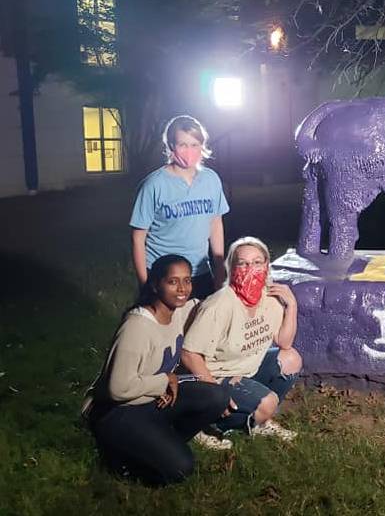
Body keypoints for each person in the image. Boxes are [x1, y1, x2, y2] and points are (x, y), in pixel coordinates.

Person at [84, 254, 231, 485]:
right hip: (118, 410)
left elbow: (214, 306)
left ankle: (161, 441)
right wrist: (164, 381)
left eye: (187, 280)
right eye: (172, 281)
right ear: (155, 284)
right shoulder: (138, 326)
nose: (182, 288)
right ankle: (121, 457)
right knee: (181, 468)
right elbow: (118, 388)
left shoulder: (181, 310)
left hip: (154, 399)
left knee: (217, 395)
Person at [181, 237, 303, 444]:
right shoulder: (219, 305)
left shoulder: (271, 298)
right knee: (268, 402)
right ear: (231, 268)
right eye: (243, 263)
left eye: (257, 262)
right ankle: (205, 423)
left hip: (244, 369)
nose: (250, 269)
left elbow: (284, 343)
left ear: (267, 265)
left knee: (291, 359)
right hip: (215, 376)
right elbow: (189, 353)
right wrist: (215, 394)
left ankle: (257, 421)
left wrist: (292, 306)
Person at [130, 115, 229, 299]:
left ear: (202, 146)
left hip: (200, 272)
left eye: (194, 144)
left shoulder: (211, 180)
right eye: (182, 145)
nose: (189, 151)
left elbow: (216, 224)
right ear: (171, 147)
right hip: (165, 275)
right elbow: (138, 238)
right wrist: (145, 284)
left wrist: (220, 270)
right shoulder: (153, 185)